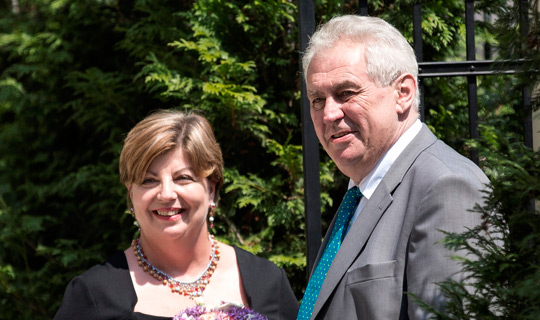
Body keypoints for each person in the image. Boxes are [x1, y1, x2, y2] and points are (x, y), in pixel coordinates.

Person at [297, 15, 489, 320]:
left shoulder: (447, 188)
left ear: (403, 93)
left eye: (346, 93)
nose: (329, 113)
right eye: (317, 99)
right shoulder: (359, 193)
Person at [55, 110, 299, 320]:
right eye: (149, 181)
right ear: (131, 194)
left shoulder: (267, 281)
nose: (166, 193)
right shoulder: (94, 295)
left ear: (211, 188)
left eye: (183, 178)